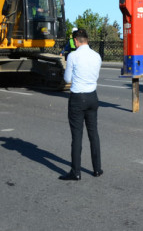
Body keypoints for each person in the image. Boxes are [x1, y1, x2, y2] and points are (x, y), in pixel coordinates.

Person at [60, 28, 102, 181]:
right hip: (93, 96)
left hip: (78, 97)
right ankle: (97, 168)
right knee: (93, 134)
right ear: (87, 40)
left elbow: (67, 79)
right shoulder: (97, 56)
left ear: (76, 41)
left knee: (77, 136)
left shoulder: (73, 56)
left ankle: (76, 172)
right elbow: (96, 75)